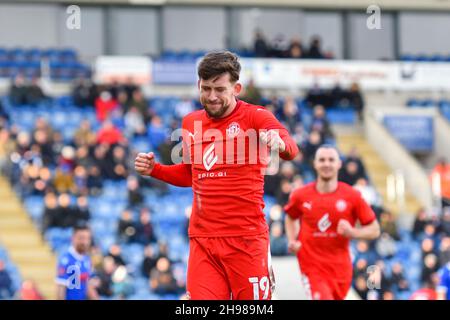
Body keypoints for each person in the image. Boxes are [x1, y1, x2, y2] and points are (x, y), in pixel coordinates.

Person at [135, 51, 299, 300]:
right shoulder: (190, 122)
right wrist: (155, 170)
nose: (211, 96)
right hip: (203, 241)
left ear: (237, 88)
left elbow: (291, 149)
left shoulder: (255, 116)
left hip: (246, 240)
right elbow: (193, 174)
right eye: (206, 88)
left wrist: (280, 143)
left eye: (220, 89)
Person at [284, 145, 380, 300]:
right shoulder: (300, 195)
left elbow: (374, 229)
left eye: (331, 160)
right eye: (322, 160)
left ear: (339, 164)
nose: (326, 164)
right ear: (315, 164)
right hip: (311, 266)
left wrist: (353, 232)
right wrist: (292, 240)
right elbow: (290, 217)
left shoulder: (352, 196)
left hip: (341, 270)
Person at [55, 224, 99, 300]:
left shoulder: (86, 258)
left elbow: (88, 286)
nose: (85, 242)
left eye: (87, 238)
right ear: (73, 238)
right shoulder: (66, 259)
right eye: (81, 238)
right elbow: (60, 289)